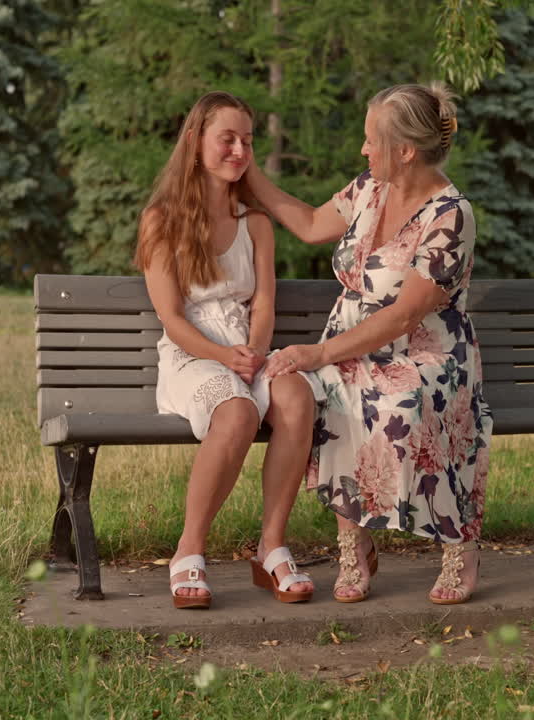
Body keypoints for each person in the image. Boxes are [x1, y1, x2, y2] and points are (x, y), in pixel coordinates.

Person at [249, 83, 492, 605]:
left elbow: (405, 314)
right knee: (324, 392)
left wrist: (318, 353)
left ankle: (459, 546)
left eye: (370, 141)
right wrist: (251, 177)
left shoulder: (451, 215)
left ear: (405, 150)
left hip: (426, 355)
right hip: (350, 349)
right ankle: (353, 545)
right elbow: (312, 224)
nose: (363, 150)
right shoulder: (369, 189)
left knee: (395, 396)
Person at [136, 91, 316, 609]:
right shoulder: (162, 220)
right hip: (193, 355)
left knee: (296, 396)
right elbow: (172, 318)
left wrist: (256, 351)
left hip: (246, 350)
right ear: (195, 142)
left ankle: (271, 547)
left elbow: (263, 305)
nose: (239, 150)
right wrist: (224, 358)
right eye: (228, 138)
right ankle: (189, 550)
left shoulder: (255, 223)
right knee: (236, 413)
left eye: (248, 140)